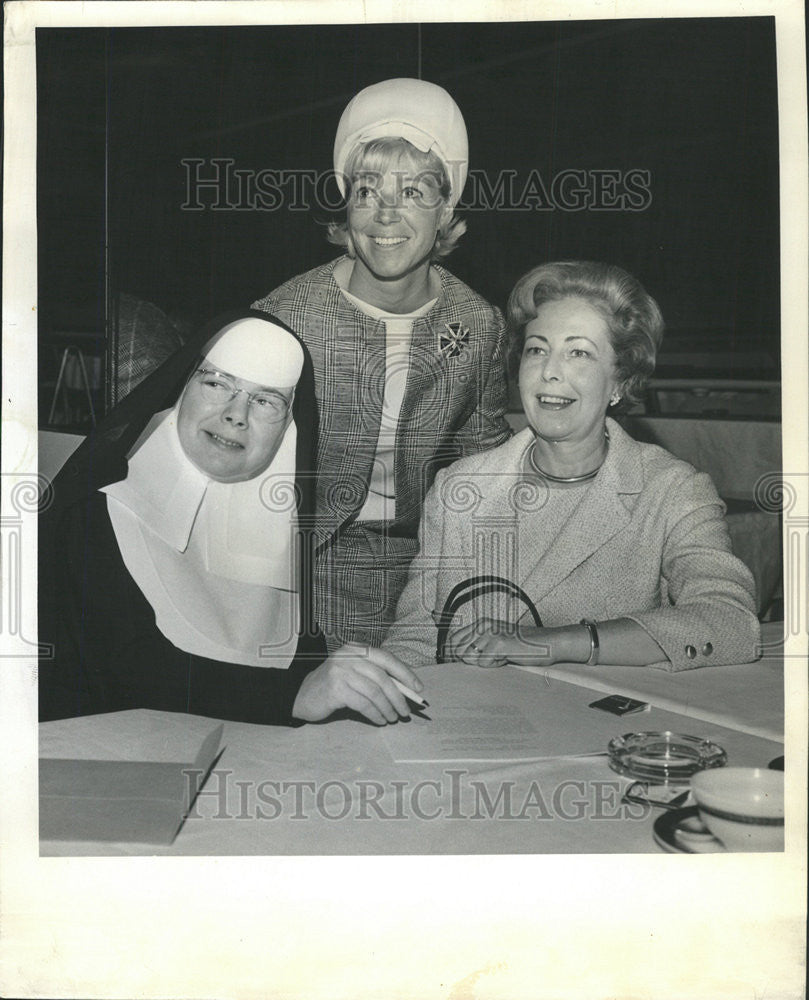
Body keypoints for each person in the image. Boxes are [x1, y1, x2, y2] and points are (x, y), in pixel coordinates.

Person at [39, 311, 423, 727]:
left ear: (288, 428)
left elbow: (300, 674)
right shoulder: (93, 512)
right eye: (217, 384)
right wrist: (295, 694)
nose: (237, 414)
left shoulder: (282, 534)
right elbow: (127, 672)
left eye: (266, 400)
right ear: (182, 388)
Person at [382, 261, 761, 670]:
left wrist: (555, 643)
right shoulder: (457, 487)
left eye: (578, 353)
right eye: (537, 349)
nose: (550, 372)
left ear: (620, 380)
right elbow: (417, 638)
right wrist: (377, 684)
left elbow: (732, 623)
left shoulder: (671, 491)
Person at [252, 78, 512, 652]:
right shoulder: (282, 319)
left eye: (415, 192)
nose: (385, 214)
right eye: (368, 190)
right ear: (347, 205)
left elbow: (485, 472)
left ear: (447, 208)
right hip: (296, 584)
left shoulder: (480, 325)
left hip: (430, 580)